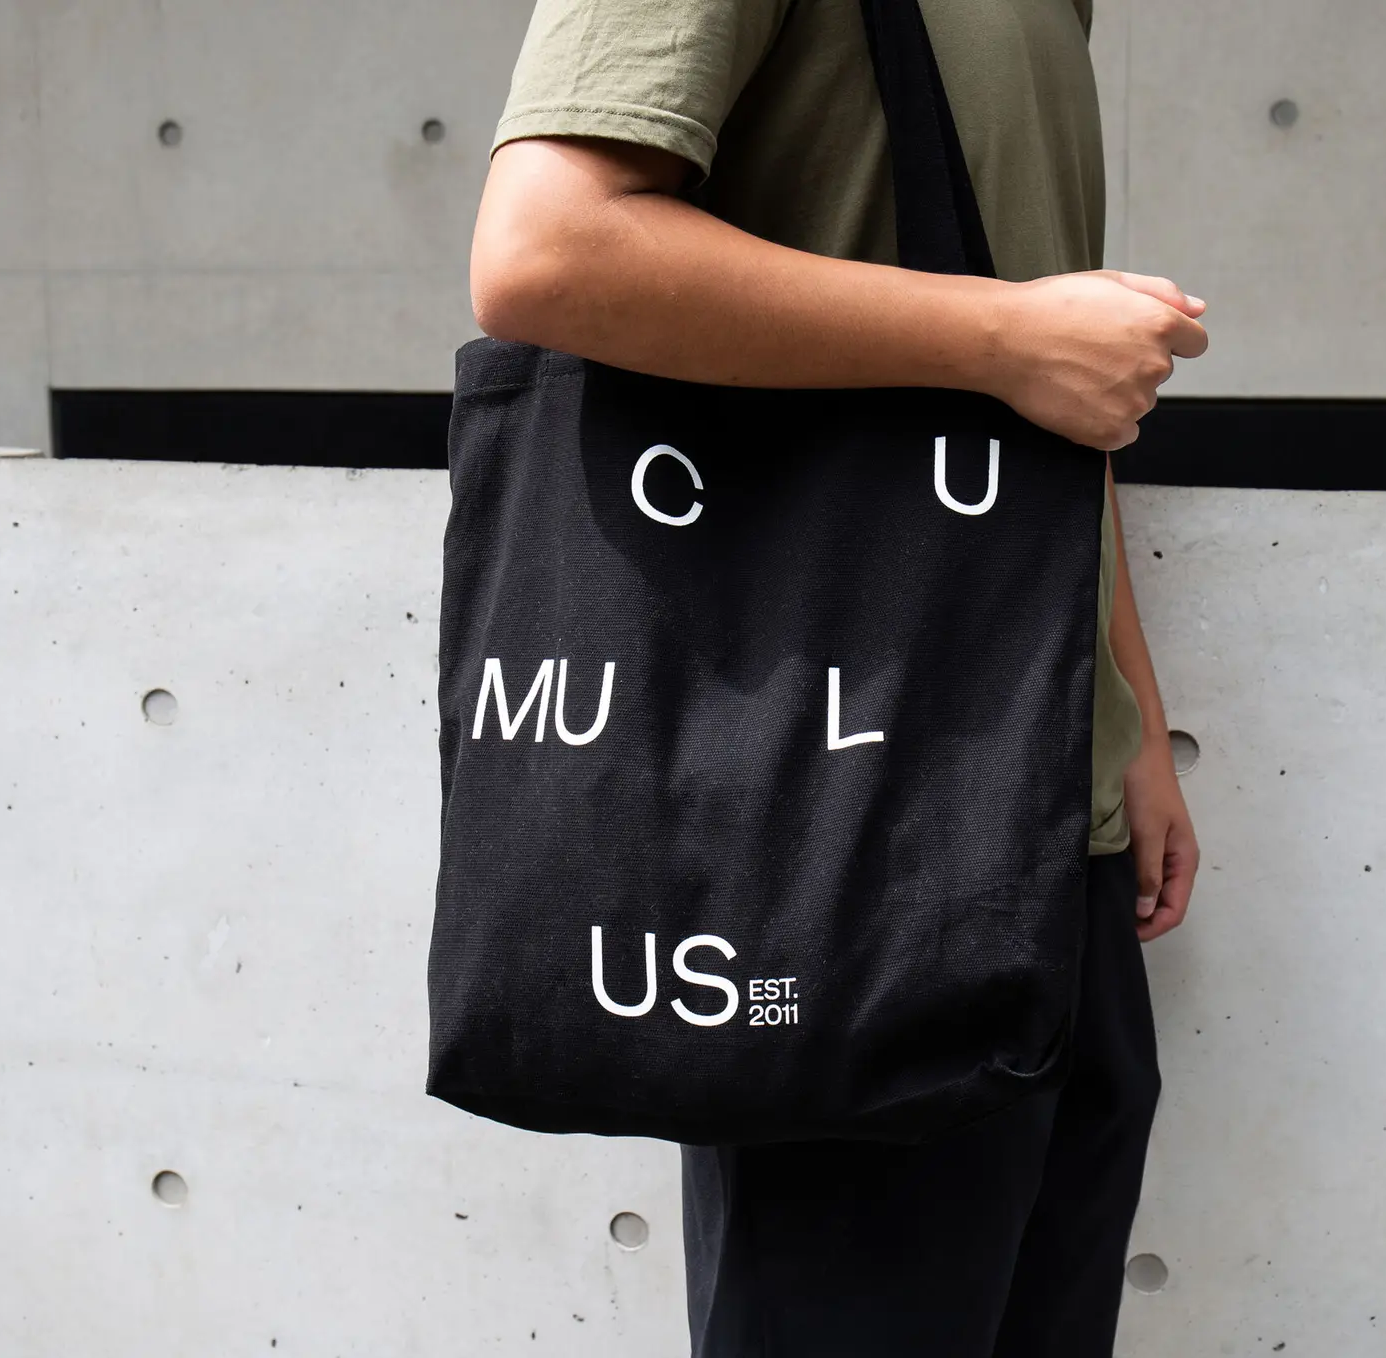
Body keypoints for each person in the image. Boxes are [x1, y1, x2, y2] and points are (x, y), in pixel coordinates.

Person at [470, 1, 1204, 1352]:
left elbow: (1055, 371)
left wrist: (1130, 711)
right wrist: (998, 334)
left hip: (1048, 803)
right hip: (842, 838)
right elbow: (544, 247)